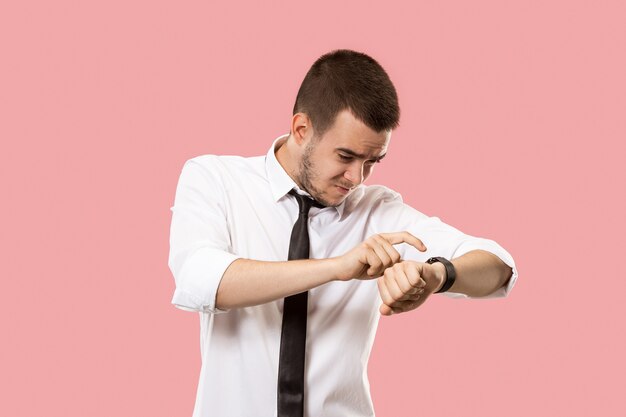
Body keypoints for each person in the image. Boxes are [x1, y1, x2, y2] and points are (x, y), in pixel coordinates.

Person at [168, 49, 517, 417]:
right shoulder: (215, 180)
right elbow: (201, 279)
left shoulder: (378, 211)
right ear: (302, 129)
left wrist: (436, 274)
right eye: (346, 157)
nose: (358, 178)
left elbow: (500, 269)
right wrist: (337, 267)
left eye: (371, 162)